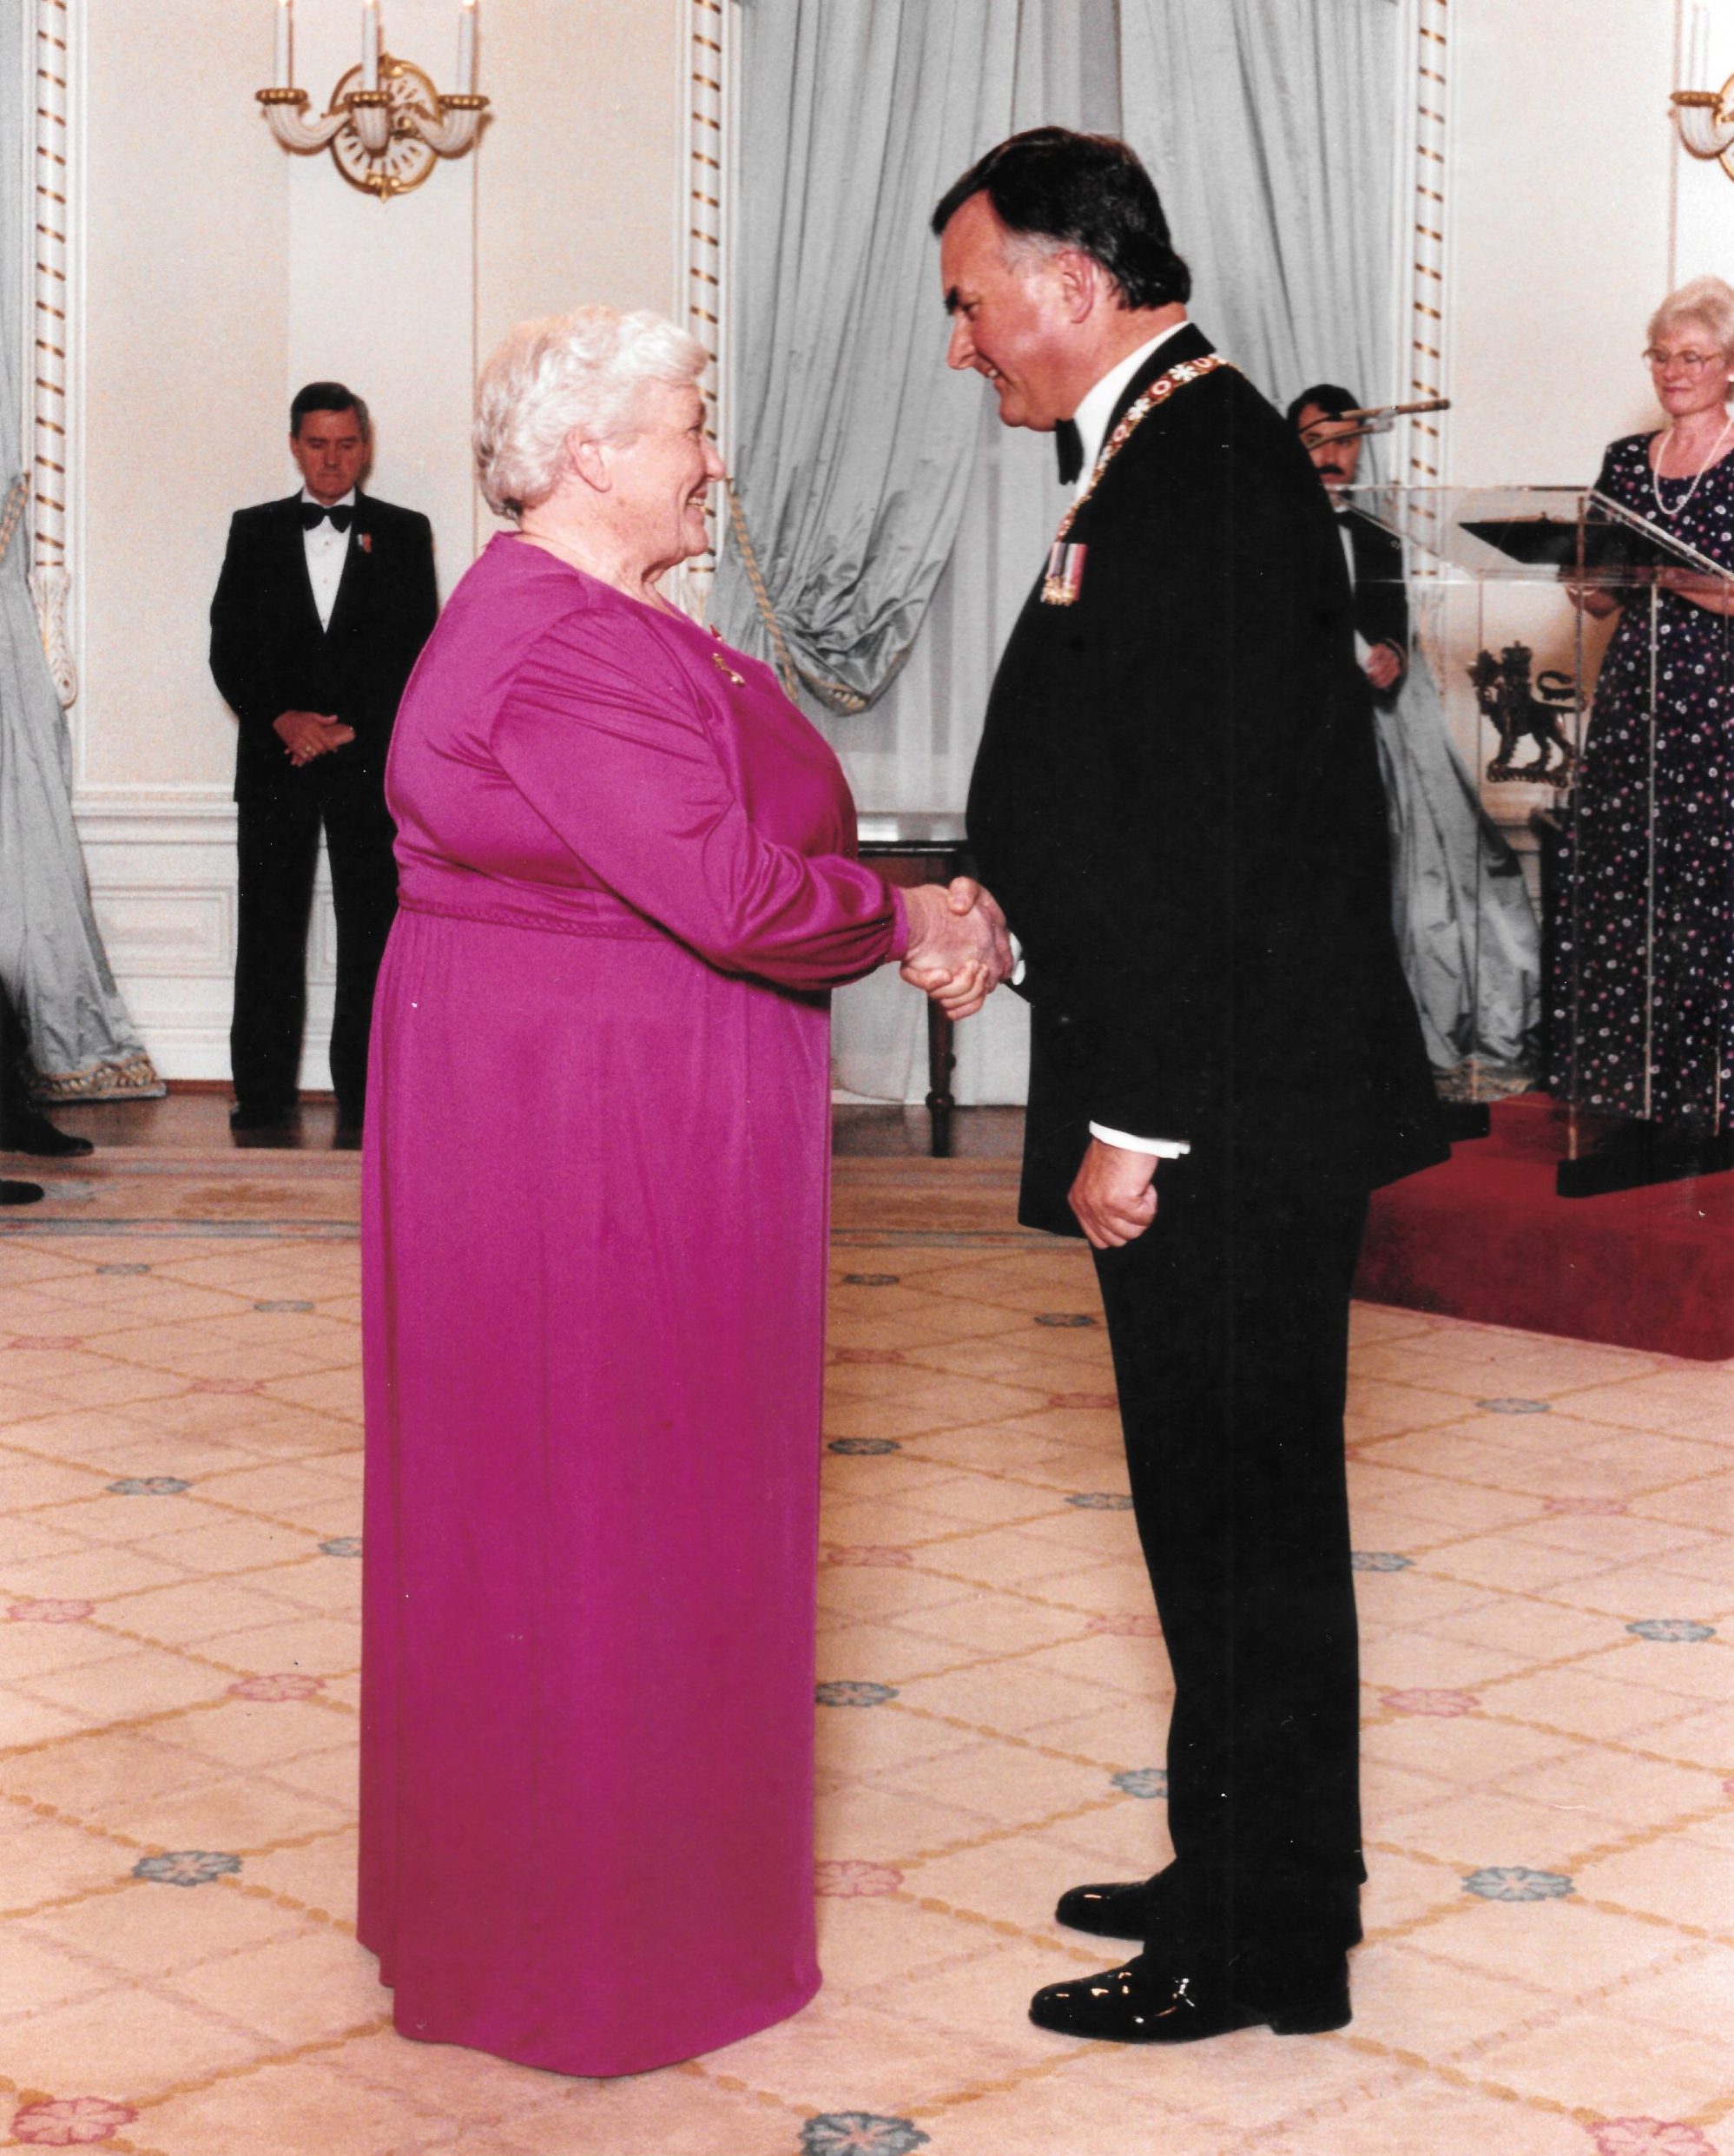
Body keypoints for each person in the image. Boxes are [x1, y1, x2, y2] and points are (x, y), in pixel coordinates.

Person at [357, 307, 1009, 2077]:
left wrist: (903, 905)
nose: (713, 459)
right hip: (591, 1123)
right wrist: (911, 916)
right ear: (589, 455)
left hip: (609, 1088)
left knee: (606, 1492)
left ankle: (560, 1896)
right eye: (690, 427)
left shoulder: (588, 615)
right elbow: (727, 889)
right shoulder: (558, 643)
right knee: (605, 1504)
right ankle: (593, 1946)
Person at [933, 129, 1444, 2045]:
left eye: (972, 303)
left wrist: (1136, 1117)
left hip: (1218, 1101)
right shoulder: (1166, 446)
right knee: (1209, 1505)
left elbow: (1222, 835)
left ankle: (1259, 1938)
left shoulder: (1204, 464)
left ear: (1071, 283)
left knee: (1240, 1517)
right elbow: (1116, 771)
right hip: (1213, 1076)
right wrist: (1003, 898)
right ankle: (1238, 1857)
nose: (963, 343)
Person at [1290, 385, 1540, 1094]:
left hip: (1376, 728)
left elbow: (1389, 613)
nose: (1331, 455)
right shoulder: (1267, 523)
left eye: (1344, 441)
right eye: (1315, 440)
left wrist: (1391, 652)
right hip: (1299, 732)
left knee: (1403, 874)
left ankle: (1392, 1044)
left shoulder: (1377, 528)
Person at [209, 383, 438, 1144]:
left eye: (345, 444)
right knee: (268, 928)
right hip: (275, 760)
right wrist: (283, 717)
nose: (331, 459)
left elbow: (416, 651)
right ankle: (262, 1097)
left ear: (364, 447)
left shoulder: (405, 532)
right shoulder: (253, 529)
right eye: (317, 444)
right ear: (294, 446)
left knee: (371, 930)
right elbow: (229, 646)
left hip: (365, 765)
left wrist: (348, 731)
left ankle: (368, 1094)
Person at [1554, 275, 1734, 1151]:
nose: (1672, 370)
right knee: (1628, 894)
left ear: (1729, 366)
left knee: (1710, 899)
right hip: (1636, 702)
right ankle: (1636, 1097)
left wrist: (1667, 571)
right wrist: (1583, 577)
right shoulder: (1625, 461)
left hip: (1719, 707)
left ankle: (1714, 1102)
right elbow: (1600, 597)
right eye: (1659, 355)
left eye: (1692, 356)